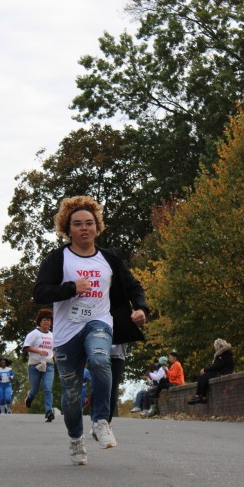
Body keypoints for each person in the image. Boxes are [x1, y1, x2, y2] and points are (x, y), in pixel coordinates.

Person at [33, 195, 149, 466]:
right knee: (72, 396)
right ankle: (76, 439)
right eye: (77, 224)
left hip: (99, 322)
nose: (84, 228)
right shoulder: (58, 258)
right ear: (68, 229)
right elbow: (39, 292)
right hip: (67, 332)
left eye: (89, 223)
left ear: (97, 227)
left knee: (100, 359)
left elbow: (133, 286)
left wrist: (141, 308)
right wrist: (71, 288)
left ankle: (100, 421)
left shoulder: (110, 258)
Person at [23, 308, 56, 422]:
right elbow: (26, 347)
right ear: (39, 322)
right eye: (44, 320)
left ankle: (49, 411)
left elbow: (55, 348)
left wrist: (53, 356)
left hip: (48, 365)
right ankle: (30, 396)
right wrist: (39, 351)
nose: (46, 322)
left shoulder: (53, 335)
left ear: (51, 322)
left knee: (48, 388)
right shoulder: (34, 334)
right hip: (35, 365)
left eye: (48, 320)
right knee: (35, 389)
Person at [187, 339, 235, 404]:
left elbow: (216, 366)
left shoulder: (222, 355)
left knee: (203, 377)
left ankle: (199, 396)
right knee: (203, 377)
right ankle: (201, 396)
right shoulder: (226, 354)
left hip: (222, 372)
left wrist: (205, 369)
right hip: (222, 371)